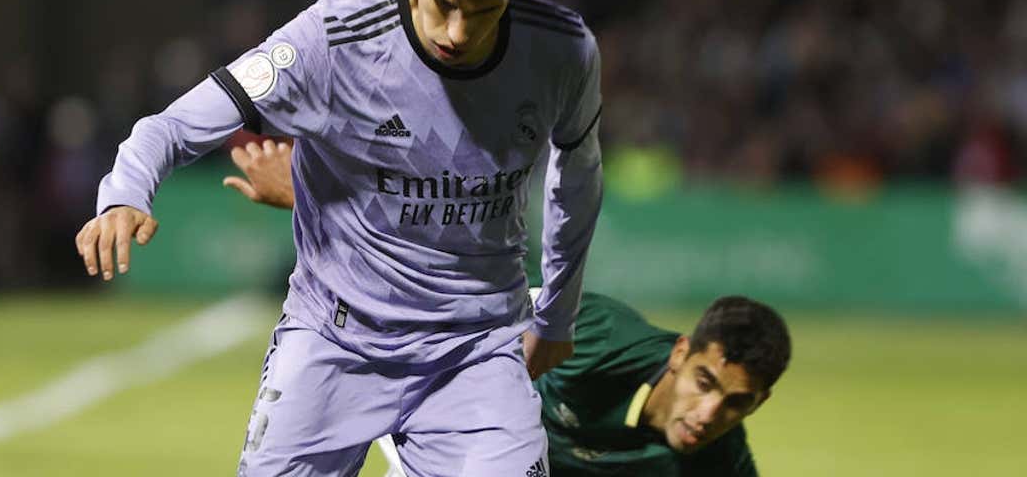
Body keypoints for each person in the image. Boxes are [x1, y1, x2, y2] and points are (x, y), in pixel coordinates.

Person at [76, 0, 603, 476]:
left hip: (476, 348)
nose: (458, 32)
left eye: (484, 11)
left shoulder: (563, 51)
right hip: (335, 341)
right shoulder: (333, 40)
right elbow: (173, 125)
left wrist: (557, 314)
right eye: (445, 4)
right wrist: (124, 193)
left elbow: (580, 175)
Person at [224, 141, 791, 477]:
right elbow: (450, 296)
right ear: (682, 353)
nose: (711, 412)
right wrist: (311, 198)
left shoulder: (720, 461)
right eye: (705, 382)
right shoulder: (590, 336)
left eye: (737, 403)